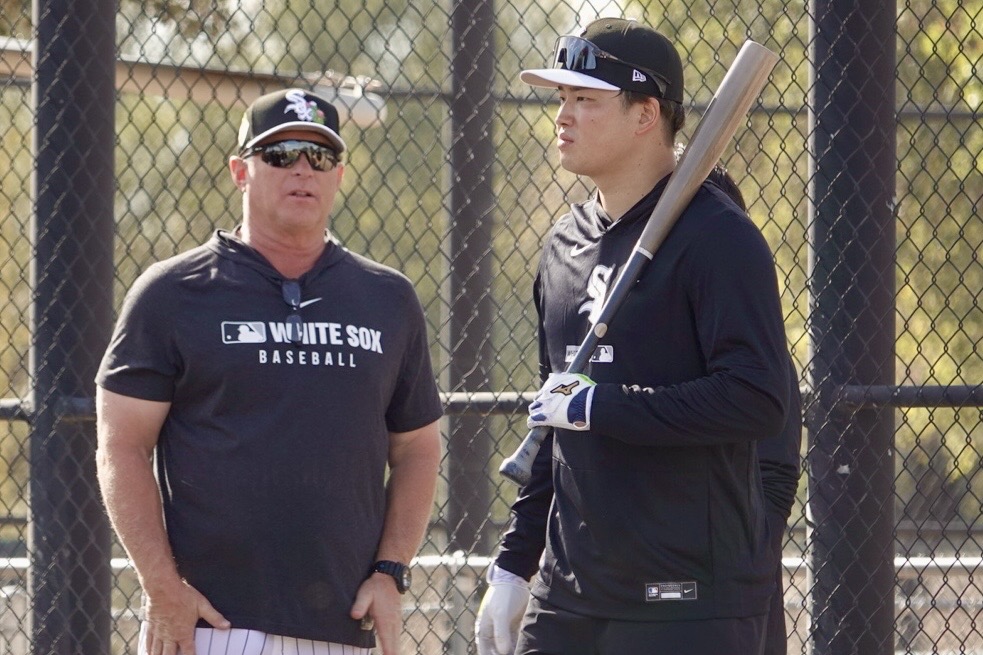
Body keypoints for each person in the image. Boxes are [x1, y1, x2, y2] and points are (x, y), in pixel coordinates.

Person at [474, 18, 795, 655]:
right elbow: (554, 415)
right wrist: (515, 562)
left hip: (685, 601)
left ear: (646, 114)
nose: (562, 116)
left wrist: (604, 406)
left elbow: (758, 397)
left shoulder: (717, 239)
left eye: (585, 100)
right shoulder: (563, 245)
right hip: (568, 596)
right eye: (561, 99)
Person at [95, 88, 443, 655]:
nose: (302, 170)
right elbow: (121, 448)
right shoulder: (171, 293)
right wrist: (162, 588)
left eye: (320, 157)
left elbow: (418, 450)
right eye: (281, 155)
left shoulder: (387, 298)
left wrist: (392, 570)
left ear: (339, 176)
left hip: (342, 625)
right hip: (209, 627)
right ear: (240, 171)